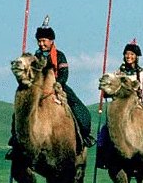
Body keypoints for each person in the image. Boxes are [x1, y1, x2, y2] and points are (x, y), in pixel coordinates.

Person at [6, 18, 94, 160]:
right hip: (37, 89)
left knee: (79, 109)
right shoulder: (34, 58)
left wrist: (57, 84)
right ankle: (16, 141)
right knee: (20, 112)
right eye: (39, 41)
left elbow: (64, 73)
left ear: (51, 40)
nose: (41, 44)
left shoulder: (60, 55)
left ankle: (83, 136)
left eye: (44, 40)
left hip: (58, 86)